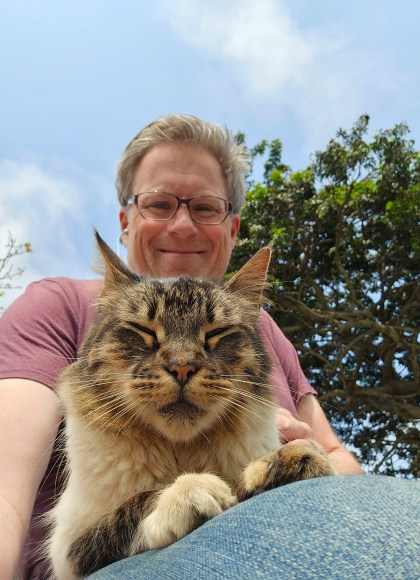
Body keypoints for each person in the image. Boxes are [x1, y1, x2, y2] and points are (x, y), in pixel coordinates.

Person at [0, 114, 365, 580]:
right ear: (125, 222)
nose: (183, 364)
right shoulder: (60, 302)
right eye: (160, 203)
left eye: (206, 207)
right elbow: (6, 487)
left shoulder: (264, 329)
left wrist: (300, 461)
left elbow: (336, 458)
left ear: (232, 228)